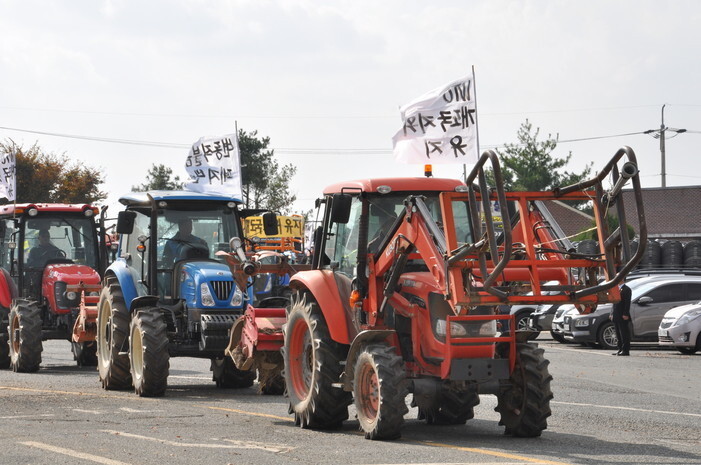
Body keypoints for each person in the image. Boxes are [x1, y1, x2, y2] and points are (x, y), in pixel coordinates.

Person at [610, 280, 632, 356]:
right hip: (616, 314)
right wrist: (611, 313)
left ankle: (625, 350)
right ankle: (620, 349)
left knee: (624, 333)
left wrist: (626, 314)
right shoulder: (616, 289)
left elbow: (627, 302)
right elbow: (614, 303)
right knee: (618, 333)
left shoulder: (627, 289)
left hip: (622, 315)